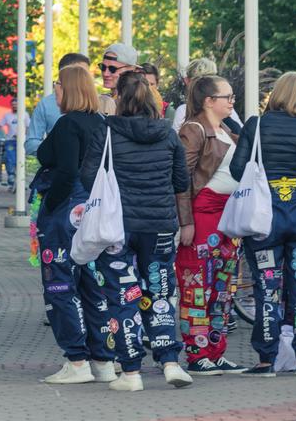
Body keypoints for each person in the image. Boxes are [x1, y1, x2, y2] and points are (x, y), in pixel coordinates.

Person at [80, 71, 192, 392]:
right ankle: (170, 361)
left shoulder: (108, 132)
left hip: (118, 228)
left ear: (120, 100)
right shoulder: (169, 135)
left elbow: (89, 177)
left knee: (122, 296)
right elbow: (182, 182)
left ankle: (131, 372)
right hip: (159, 228)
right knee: (159, 293)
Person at [230, 71, 296, 377]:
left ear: (275, 93)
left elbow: (239, 171)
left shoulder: (256, 125)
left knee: (266, 288)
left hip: (265, 220)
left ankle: (266, 360)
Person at [36, 65, 116, 385]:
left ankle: (77, 359)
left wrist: (52, 206)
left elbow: (67, 171)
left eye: (57, 85)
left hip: (66, 212)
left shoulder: (68, 125)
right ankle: (103, 359)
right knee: (93, 285)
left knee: (60, 284)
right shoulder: (100, 122)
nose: (54, 91)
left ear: (68, 88)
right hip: (94, 210)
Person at [173, 75, 247, 375]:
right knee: (195, 285)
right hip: (203, 213)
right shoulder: (194, 129)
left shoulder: (228, 129)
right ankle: (196, 352)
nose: (232, 101)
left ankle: (216, 351)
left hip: (227, 217)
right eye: (226, 96)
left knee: (223, 287)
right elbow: (181, 178)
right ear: (208, 100)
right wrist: (186, 221)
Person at [25, 53, 90, 155]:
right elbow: (31, 144)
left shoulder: (95, 103)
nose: (85, 78)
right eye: (80, 73)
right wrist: (56, 149)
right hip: (58, 167)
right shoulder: (46, 104)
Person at [171, 58, 243, 133]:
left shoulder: (183, 111)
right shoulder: (225, 107)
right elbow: (242, 136)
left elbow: (176, 142)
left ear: (187, 81)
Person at [0, 98, 29, 189]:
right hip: (10, 140)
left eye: (16, 104)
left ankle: (21, 180)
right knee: (10, 158)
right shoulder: (7, 115)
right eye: (13, 104)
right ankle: (11, 178)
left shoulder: (25, 115)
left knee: (21, 160)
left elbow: (29, 127)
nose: (14, 106)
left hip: (22, 141)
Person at [97, 43, 140, 116]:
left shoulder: (140, 100)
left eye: (113, 69)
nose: (105, 74)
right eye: (103, 67)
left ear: (132, 70)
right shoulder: (104, 99)